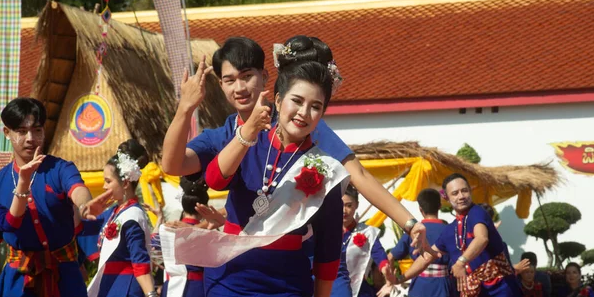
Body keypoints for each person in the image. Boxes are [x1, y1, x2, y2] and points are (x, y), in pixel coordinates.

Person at [160, 36, 427, 250]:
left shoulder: (297, 121)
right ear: (220, 85)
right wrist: (185, 107)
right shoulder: (224, 133)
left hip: (295, 258)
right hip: (240, 256)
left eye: (247, 76)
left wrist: (409, 222)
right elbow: (172, 165)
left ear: (265, 77)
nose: (239, 88)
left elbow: (358, 173)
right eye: (230, 80)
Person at [171, 59, 352, 297]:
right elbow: (215, 179)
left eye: (315, 106)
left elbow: (328, 249)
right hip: (231, 280)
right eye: (297, 101)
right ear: (278, 100)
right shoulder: (246, 140)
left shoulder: (326, 169)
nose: (303, 113)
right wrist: (244, 135)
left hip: (285, 284)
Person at [0, 98, 106, 297]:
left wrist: (84, 204)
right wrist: (22, 184)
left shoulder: (60, 168)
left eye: (37, 130)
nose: (30, 138)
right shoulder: (0, 181)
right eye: (21, 131)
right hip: (20, 284)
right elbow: (8, 225)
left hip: (65, 279)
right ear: (7, 133)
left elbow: (77, 188)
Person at [390, 173, 524, 297]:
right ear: (446, 197)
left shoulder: (478, 213)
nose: (461, 196)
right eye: (455, 193)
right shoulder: (450, 229)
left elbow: (482, 238)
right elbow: (428, 256)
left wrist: (461, 261)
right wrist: (400, 279)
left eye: (464, 191)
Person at [82, 139, 169, 297]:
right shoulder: (115, 212)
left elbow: (140, 265)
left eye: (108, 181)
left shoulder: (132, 216)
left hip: (126, 294)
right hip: (108, 292)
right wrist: (85, 209)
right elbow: (83, 226)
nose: (104, 187)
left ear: (126, 183)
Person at [148, 175, 225, 297]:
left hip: (173, 291)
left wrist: (159, 219)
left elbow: (151, 248)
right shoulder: (211, 234)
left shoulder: (169, 230)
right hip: (202, 293)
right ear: (204, 206)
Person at [386, 188, 456, 297]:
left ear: (420, 208)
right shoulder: (450, 230)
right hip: (443, 288)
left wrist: (391, 277)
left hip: (419, 288)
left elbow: (391, 256)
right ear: (440, 205)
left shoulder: (414, 231)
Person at [341, 184, 389, 297]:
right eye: (341, 205)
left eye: (349, 205)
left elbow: (380, 255)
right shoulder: (325, 232)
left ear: (356, 206)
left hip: (360, 295)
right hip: (331, 294)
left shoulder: (367, 232)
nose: (344, 210)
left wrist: (387, 271)